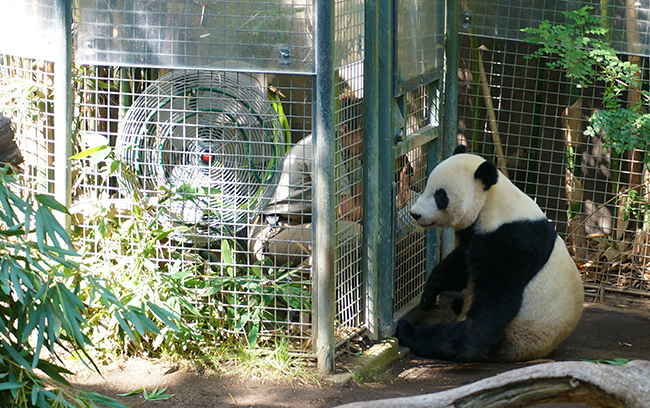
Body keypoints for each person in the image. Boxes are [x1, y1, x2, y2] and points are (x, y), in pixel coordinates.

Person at [249, 97, 364, 268]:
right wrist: (389, 208)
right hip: (272, 234)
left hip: (300, 229)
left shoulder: (349, 150)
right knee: (353, 233)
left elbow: (358, 204)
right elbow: (346, 212)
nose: (367, 141)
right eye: (363, 135)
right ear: (346, 130)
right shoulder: (326, 149)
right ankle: (296, 285)